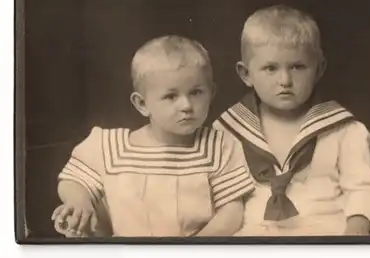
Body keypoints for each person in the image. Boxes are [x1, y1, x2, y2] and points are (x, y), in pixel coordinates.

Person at [51, 35, 255, 237]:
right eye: (170, 96)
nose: (186, 106)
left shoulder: (218, 146)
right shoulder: (111, 147)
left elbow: (231, 214)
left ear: (211, 93)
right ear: (142, 104)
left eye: (196, 92)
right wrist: (79, 201)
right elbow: (74, 180)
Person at [213, 5, 370, 236]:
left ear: (318, 69)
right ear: (246, 74)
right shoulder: (227, 130)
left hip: (325, 236)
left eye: (297, 67)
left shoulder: (344, 130)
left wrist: (355, 233)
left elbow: (364, 188)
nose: (285, 80)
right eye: (270, 68)